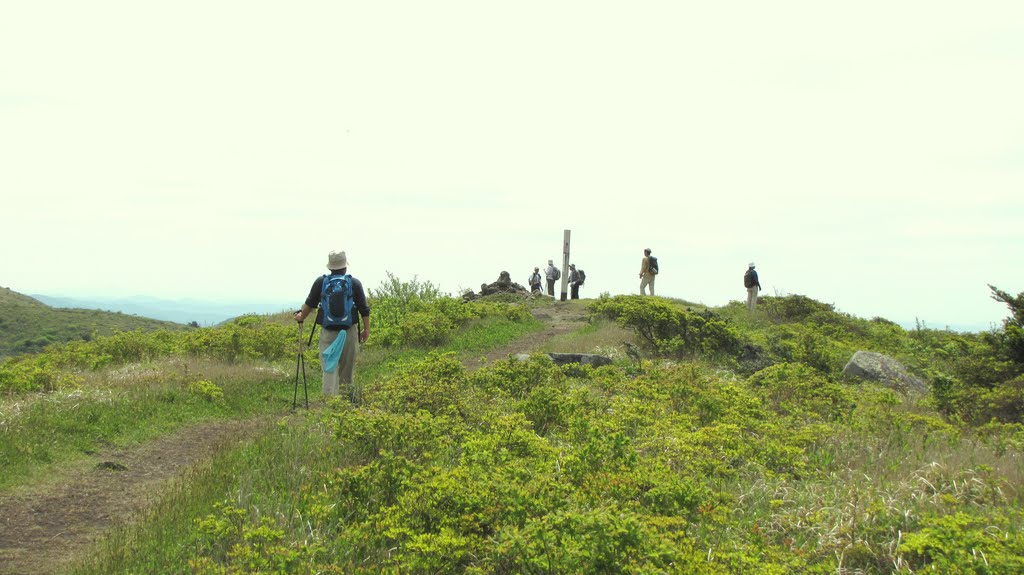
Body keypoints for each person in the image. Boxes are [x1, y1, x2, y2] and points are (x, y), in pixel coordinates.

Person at [294, 250, 371, 401]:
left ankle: (329, 404)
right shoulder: (354, 283)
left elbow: (310, 304)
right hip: (349, 332)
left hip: (328, 333)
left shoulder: (321, 282)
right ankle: (346, 404)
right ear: (345, 266)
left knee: (329, 368)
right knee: (346, 370)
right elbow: (364, 308)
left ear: (330, 267)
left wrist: (300, 316)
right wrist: (366, 330)